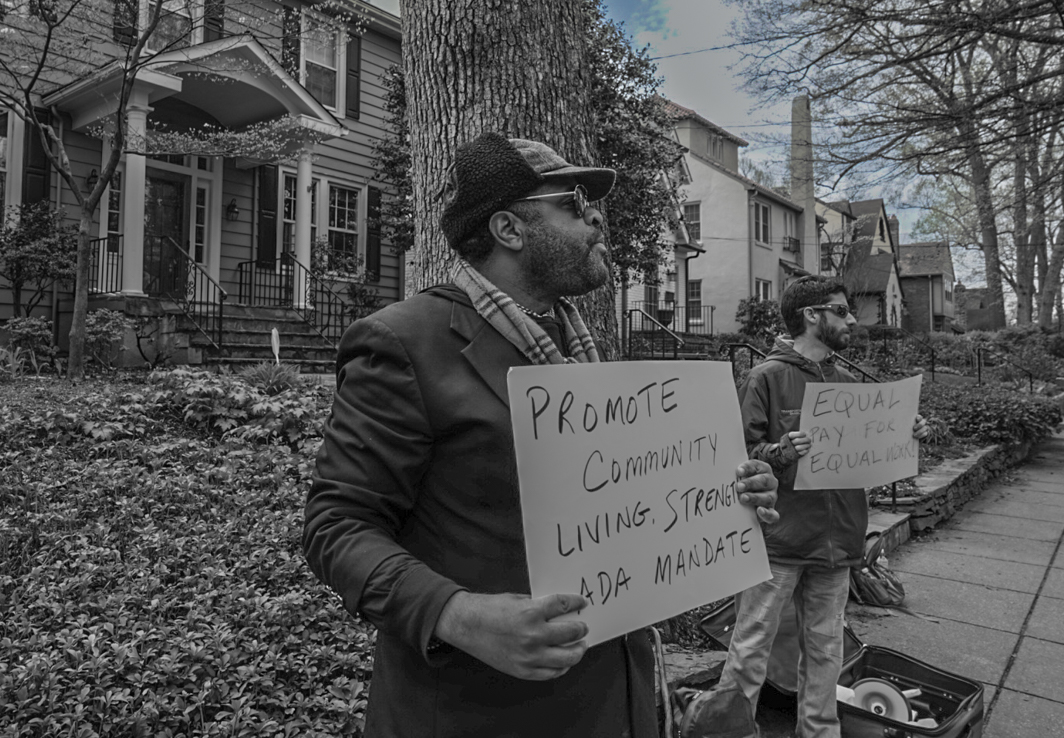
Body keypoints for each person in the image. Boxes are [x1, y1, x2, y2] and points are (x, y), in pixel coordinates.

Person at [303, 131, 780, 738]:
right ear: (509, 229)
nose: (598, 217)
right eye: (575, 202)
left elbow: (623, 508)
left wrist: (724, 495)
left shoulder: (574, 348)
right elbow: (335, 526)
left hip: (612, 699)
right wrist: (456, 613)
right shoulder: (405, 342)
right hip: (475, 712)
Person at [715, 275, 929, 738]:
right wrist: (781, 452)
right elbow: (735, 458)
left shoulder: (847, 382)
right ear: (812, 316)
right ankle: (729, 732)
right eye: (841, 310)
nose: (851, 318)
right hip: (779, 540)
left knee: (826, 649)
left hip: (837, 542)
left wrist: (905, 436)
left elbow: (870, 455)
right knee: (751, 646)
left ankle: (819, 733)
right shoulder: (765, 377)